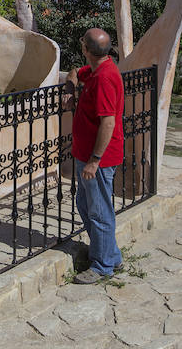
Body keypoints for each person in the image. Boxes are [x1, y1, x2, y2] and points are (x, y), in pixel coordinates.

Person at [64, 28, 124, 284]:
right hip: (87, 155)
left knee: (99, 212)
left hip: (98, 159)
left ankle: (102, 266)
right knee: (86, 205)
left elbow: (108, 123)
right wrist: (69, 88)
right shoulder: (97, 69)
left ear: (86, 49)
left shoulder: (104, 78)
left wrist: (94, 160)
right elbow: (75, 72)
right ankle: (111, 256)